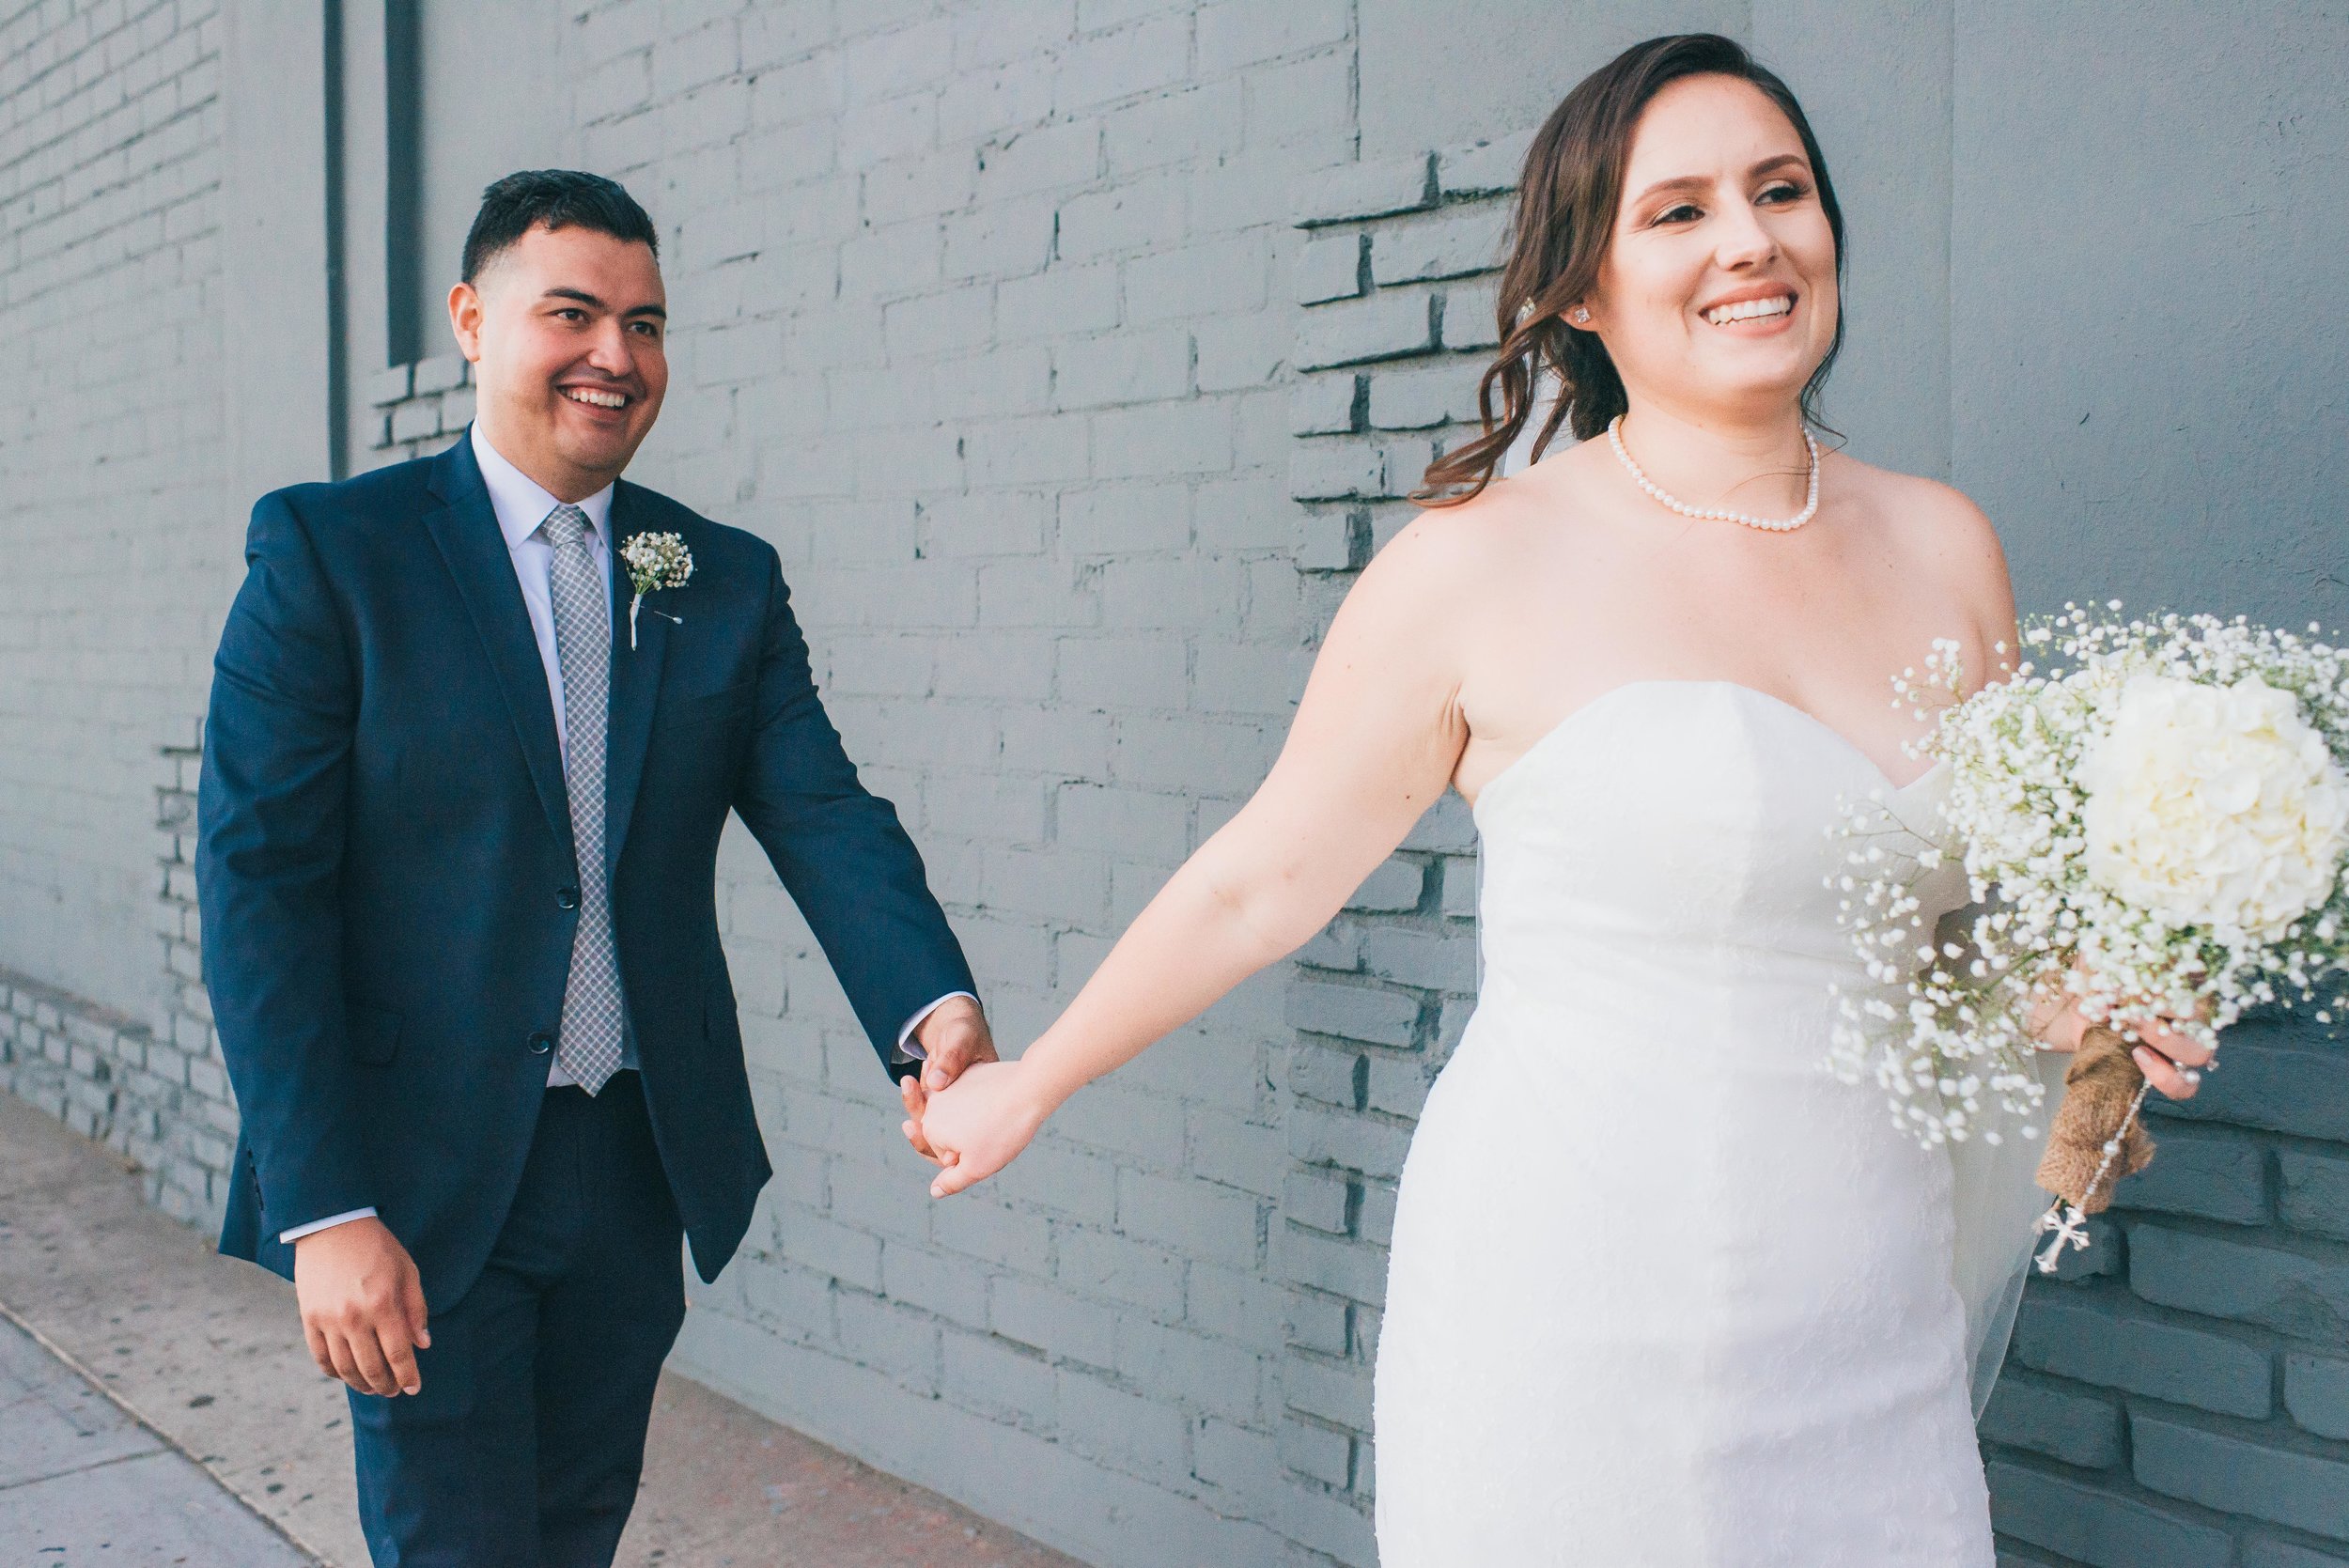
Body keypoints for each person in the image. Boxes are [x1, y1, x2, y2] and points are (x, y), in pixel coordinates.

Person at [906, 35, 2211, 1564]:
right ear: (1582, 286)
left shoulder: (1944, 545)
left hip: (1864, 1292)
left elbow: (1947, 936)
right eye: (1678, 211)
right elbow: (1262, 879)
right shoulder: (1480, 558)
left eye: (1780, 191)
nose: (1749, 240)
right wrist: (1035, 1077)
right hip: (1568, 1296)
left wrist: (2085, 1007)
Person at [197, 169, 991, 1567]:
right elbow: (258, 889)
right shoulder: (336, 552)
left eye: (647, 322)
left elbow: (822, 811)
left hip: (632, 1168)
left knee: (572, 1537)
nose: (615, 356)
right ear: (471, 318)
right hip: (422, 1179)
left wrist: (932, 1009)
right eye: (572, 312)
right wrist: (324, 1206)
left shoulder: (706, 573)